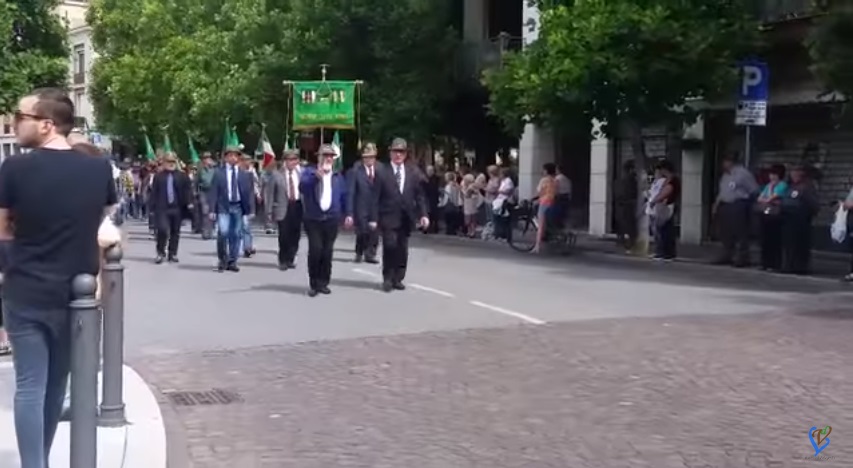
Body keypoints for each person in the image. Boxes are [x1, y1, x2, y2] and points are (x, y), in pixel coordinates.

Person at [0, 88, 117, 468]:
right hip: (76, 293)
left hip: (26, 289)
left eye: (21, 116)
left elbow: (2, 229)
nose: (15, 122)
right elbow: (102, 218)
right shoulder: (98, 168)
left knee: (30, 386)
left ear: (46, 124)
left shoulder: (14, 168)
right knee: (55, 387)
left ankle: (35, 464)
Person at [372, 138, 428, 292]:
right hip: (388, 216)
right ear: (390, 153)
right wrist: (373, 218)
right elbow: (375, 197)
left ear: (405, 154)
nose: (398, 155)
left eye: (401, 152)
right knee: (390, 246)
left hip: (406, 217)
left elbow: (419, 196)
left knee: (402, 249)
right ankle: (388, 278)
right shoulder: (382, 172)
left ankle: (398, 277)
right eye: (395, 151)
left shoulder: (412, 172)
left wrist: (423, 215)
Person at [300, 144, 347, 296]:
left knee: (327, 252)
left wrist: (348, 214)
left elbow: (344, 196)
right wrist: (316, 177)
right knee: (316, 250)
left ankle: (323, 282)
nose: (328, 159)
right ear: (319, 157)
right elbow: (303, 187)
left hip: (331, 219)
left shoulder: (337, 176)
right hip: (313, 219)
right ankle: (314, 283)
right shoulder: (310, 172)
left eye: (330, 156)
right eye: (325, 156)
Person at [209, 145, 254, 272]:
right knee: (223, 232)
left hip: (238, 206)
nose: (233, 158)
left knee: (236, 234)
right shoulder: (219, 173)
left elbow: (249, 193)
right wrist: (212, 209)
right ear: (225, 158)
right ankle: (222, 259)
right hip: (223, 206)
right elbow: (213, 191)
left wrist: (251, 210)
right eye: (230, 155)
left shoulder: (244, 174)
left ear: (239, 158)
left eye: (235, 155)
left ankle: (232, 261)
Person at [713, 154, 759, 267]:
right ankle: (727, 254)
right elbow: (722, 191)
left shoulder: (743, 174)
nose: (723, 164)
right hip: (725, 204)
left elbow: (754, 189)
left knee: (740, 232)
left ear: (731, 162)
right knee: (725, 232)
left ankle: (743, 257)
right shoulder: (725, 175)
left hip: (738, 204)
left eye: (726, 161)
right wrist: (716, 204)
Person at [264, 148, 303, 270]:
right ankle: (283, 259)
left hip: (297, 206)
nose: (292, 162)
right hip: (282, 207)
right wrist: (269, 212)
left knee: (295, 234)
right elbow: (270, 194)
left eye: (295, 159)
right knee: (284, 235)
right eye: (290, 159)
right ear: (285, 161)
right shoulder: (276, 175)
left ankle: (291, 257)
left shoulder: (301, 174)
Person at [150, 154, 192, 263]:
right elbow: (154, 192)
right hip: (162, 208)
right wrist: (151, 208)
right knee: (162, 230)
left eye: (173, 161)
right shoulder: (159, 176)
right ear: (164, 163)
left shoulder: (182, 176)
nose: (171, 164)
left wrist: (189, 203)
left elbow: (187, 190)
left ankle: (172, 253)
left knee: (175, 231)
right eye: (168, 161)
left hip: (177, 207)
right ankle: (160, 252)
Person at [345, 142, 381, 263]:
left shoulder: (381, 169)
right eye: (366, 157)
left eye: (372, 157)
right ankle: (359, 251)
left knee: (375, 232)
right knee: (363, 232)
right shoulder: (356, 171)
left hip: (376, 207)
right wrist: (349, 213)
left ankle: (370, 254)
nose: (369, 159)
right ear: (363, 158)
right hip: (361, 207)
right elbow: (351, 192)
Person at [781, 164, 819, 275]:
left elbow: (813, 204)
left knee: (801, 244)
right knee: (789, 243)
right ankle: (789, 265)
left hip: (801, 218)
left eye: (797, 173)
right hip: (788, 218)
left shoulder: (807, 187)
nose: (794, 176)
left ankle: (800, 266)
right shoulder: (790, 186)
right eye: (793, 173)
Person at [755, 164, 787, 271]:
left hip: (776, 215)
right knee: (765, 240)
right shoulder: (768, 185)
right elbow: (760, 198)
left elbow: (772, 198)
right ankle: (765, 263)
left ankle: (775, 264)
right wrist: (767, 200)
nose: (772, 177)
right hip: (766, 213)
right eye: (771, 174)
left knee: (775, 240)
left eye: (775, 174)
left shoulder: (782, 185)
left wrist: (768, 200)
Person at [647, 159, 680, 261]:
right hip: (665, 206)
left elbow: (666, 191)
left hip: (666, 207)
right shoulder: (669, 179)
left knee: (663, 231)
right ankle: (666, 253)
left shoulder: (672, 180)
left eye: (660, 170)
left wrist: (654, 201)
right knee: (664, 230)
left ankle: (664, 253)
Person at [533, 163, 558, 253]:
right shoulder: (555, 180)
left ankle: (537, 246)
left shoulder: (544, 180)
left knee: (541, 224)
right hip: (552, 202)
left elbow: (539, 191)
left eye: (544, 170)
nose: (543, 171)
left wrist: (535, 198)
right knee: (546, 222)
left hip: (544, 202)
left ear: (546, 171)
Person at [615, 160, 638, 252]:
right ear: (630, 169)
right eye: (633, 168)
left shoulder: (620, 180)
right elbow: (633, 193)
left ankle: (621, 240)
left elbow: (617, 193)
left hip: (621, 206)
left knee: (622, 224)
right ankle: (630, 243)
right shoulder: (631, 180)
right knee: (629, 225)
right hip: (627, 205)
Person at [239, 154, 259, 258]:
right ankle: (238, 248)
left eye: (249, 161)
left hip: (246, 206)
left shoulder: (250, 174)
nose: (249, 163)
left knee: (246, 227)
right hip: (236, 204)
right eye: (247, 161)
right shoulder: (235, 173)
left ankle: (247, 247)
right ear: (241, 161)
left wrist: (252, 209)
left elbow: (251, 192)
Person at [195, 152, 216, 239]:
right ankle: (205, 232)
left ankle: (211, 230)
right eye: (205, 158)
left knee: (212, 212)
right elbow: (196, 181)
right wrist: (195, 192)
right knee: (205, 211)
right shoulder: (200, 170)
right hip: (203, 192)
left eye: (208, 158)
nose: (207, 160)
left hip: (212, 192)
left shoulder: (214, 169)